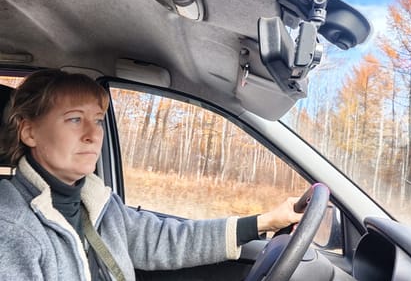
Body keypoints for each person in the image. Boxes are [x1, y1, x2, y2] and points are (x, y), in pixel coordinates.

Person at [0, 69, 303, 281]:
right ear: (29, 132)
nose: (94, 134)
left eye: (97, 120)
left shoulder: (96, 204)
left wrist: (265, 221)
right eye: (75, 119)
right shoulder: (12, 228)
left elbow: (167, 240)